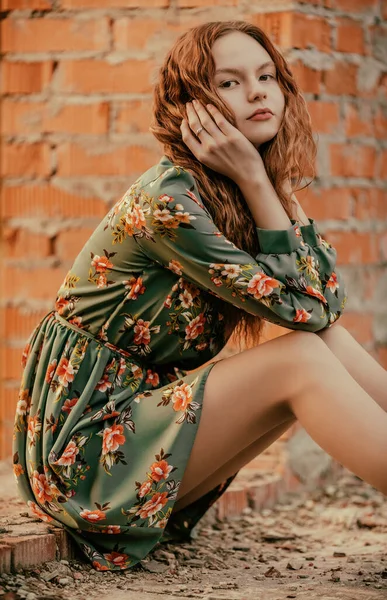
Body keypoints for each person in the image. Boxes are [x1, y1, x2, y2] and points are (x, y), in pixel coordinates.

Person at [13, 20, 387, 573]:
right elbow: (304, 311)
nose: (258, 92)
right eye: (230, 83)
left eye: (266, 76)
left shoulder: (236, 191)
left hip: (145, 435)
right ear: (193, 108)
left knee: (324, 342)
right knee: (302, 357)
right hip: (88, 454)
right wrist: (262, 184)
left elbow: (324, 305)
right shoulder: (169, 199)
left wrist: (271, 186)